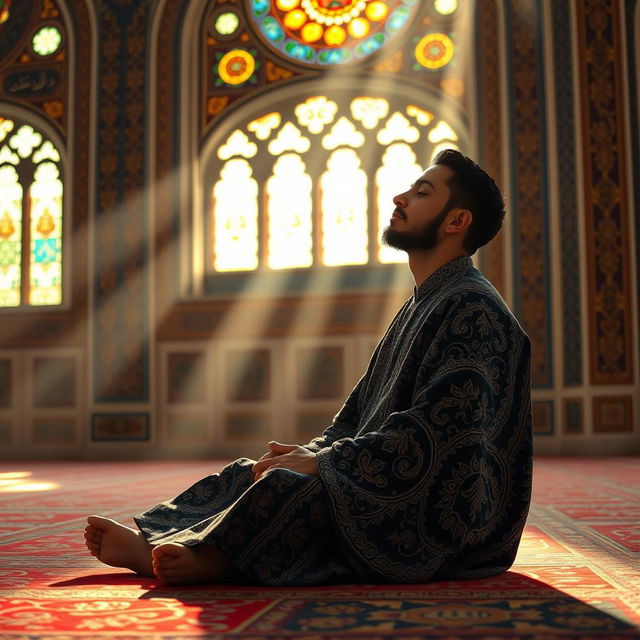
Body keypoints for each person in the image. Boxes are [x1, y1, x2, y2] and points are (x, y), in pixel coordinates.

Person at [84, 148, 532, 586]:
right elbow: (356, 416)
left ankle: (214, 559)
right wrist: (313, 454)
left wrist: (324, 466)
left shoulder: (474, 308)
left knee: (294, 490)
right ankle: (164, 539)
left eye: (421, 192)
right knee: (256, 470)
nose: (400, 198)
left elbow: (441, 437)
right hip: (381, 476)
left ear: (456, 221)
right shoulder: (425, 301)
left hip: (442, 518)